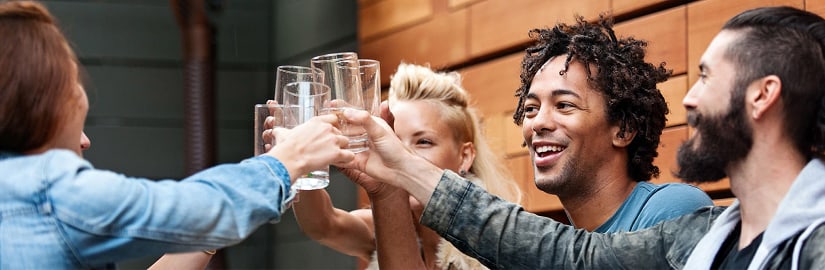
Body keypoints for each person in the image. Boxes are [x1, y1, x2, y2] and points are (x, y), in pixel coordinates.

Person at [342, 6, 825, 269]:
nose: (690, 99)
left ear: (763, 96)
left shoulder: (812, 244)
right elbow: (561, 253)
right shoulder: (703, 237)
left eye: (705, 76)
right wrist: (395, 172)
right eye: (530, 108)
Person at [0, 1, 353, 269]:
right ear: (41, 100)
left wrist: (211, 226)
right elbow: (189, 208)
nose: (86, 138)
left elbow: (197, 213)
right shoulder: (46, 191)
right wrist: (287, 161)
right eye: (73, 84)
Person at [292, 63, 523, 269]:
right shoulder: (382, 225)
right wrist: (300, 158)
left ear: (464, 156)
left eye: (423, 142)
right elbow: (322, 224)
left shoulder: (498, 237)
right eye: (393, 141)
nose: (399, 155)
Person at [513, 15, 711, 232]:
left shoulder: (673, 211)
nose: (538, 122)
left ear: (623, 129)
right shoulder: (568, 244)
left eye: (564, 105)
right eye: (531, 109)